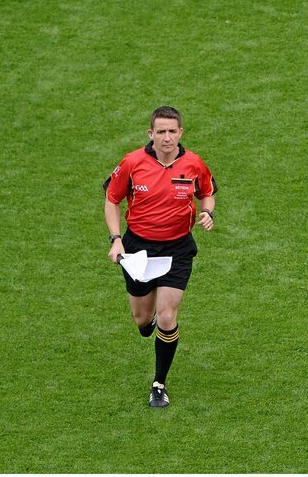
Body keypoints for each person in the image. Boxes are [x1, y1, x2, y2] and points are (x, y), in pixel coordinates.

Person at [102, 105, 216, 408]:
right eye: (161, 132)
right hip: (138, 248)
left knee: (168, 315)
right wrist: (116, 240)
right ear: (150, 134)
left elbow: (207, 191)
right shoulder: (132, 163)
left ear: (181, 133)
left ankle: (159, 383)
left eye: (172, 131)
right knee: (143, 319)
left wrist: (207, 212)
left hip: (178, 249)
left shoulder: (193, 164)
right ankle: (146, 321)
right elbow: (112, 199)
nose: (167, 137)